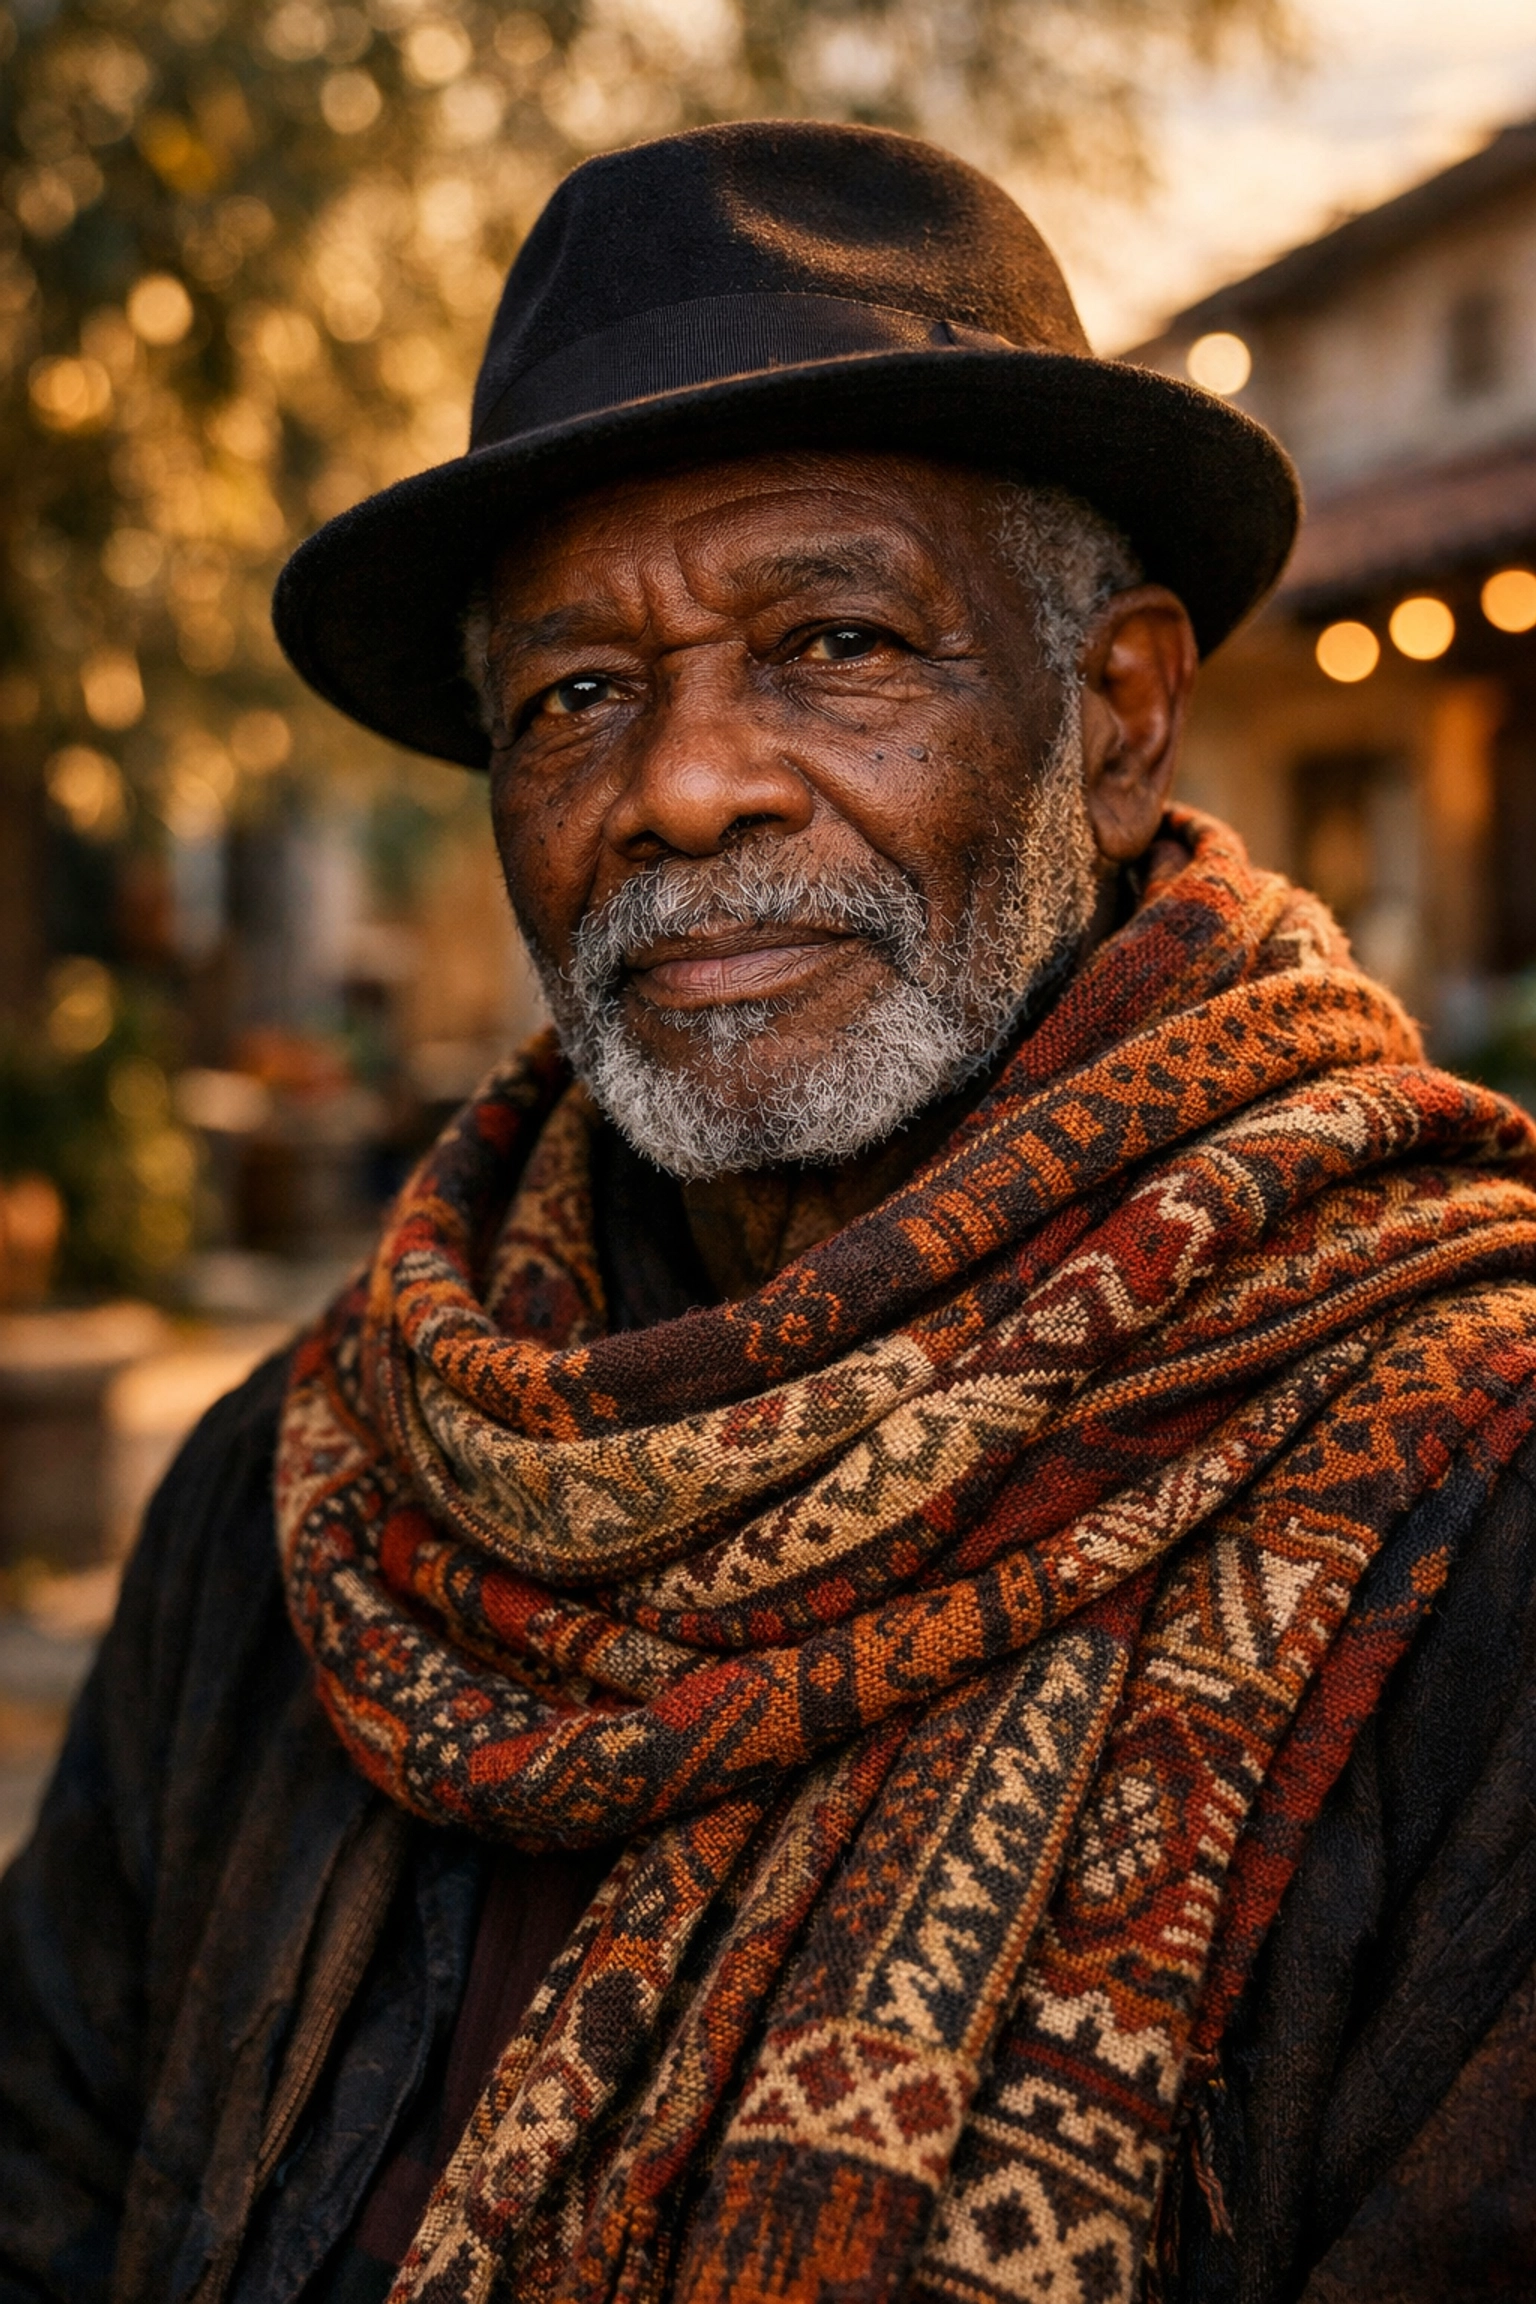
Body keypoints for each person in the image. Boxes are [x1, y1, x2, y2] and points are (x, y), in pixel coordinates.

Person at [5, 120, 1536, 2304]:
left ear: (1113, 723)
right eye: (576, 697)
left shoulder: (1477, 1486)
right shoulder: (306, 1496)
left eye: (832, 640)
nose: (682, 785)